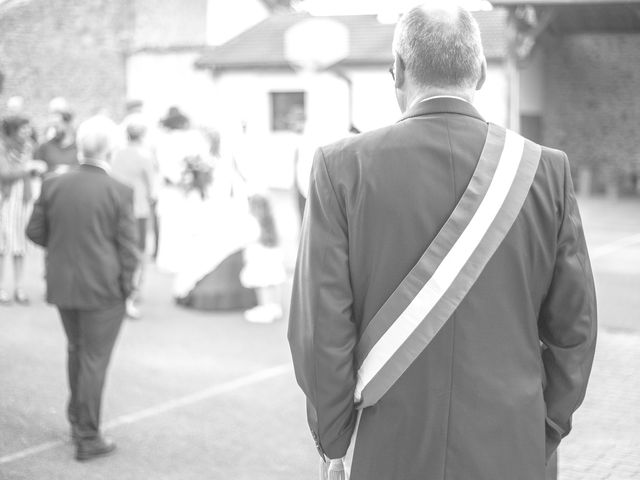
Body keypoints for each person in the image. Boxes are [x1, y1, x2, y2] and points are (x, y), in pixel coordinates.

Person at [287, 3, 597, 480]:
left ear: (398, 72)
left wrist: (335, 442)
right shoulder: (544, 170)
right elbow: (574, 328)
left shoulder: (339, 168)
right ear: (481, 72)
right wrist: (545, 426)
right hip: (513, 446)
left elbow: (319, 332)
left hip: (388, 446)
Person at [26, 115, 139, 462]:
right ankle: (87, 435)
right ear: (111, 149)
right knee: (92, 358)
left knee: (78, 350)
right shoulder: (119, 190)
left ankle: (78, 420)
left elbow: (35, 231)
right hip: (103, 289)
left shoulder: (53, 183)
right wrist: (126, 288)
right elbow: (128, 249)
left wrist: (63, 250)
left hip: (64, 284)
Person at [110, 115, 158, 319]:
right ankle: (135, 289)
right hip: (138, 209)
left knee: (118, 248)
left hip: (118, 207)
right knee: (138, 252)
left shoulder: (117, 154)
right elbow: (153, 188)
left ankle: (119, 285)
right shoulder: (144, 155)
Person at [0, 115, 45, 304]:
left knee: (20, 245)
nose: (27, 132)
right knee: (2, 245)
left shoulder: (29, 147)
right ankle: (1, 288)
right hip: (6, 199)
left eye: (28, 128)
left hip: (23, 200)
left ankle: (19, 287)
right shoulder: (3, 147)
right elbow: (4, 173)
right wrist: (28, 168)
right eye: (23, 129)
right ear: (13, 130)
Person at [240, 193, 286, 323]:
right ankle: (275, 307)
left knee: (262, 286)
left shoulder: (254, 222)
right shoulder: (271, 222)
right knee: (272, 283)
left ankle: (265, 308)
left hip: (259, 259)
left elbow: (248, 238)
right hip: (272, 257)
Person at [34, 100, 78, 176]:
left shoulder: (80, 147)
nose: (54, 129)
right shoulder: (45, 147)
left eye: (57, 126)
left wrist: (69, 170)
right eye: (53, 126)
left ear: (68, 124)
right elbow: (37, 172)